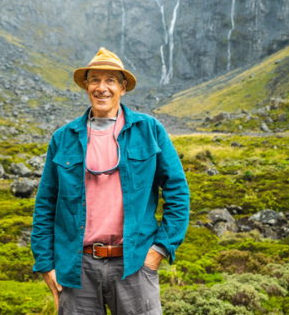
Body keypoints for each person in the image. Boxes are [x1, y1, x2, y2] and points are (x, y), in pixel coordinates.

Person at [31, 47, 190, 314]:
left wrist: (159, 250)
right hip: (77, 268)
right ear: (86, 85)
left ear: (123, 86)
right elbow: (45, 204)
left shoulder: (150, 130)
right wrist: (46, 264)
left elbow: (177, 191)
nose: (101, 88)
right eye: (95, 80)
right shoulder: (63, 138)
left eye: (110, 81)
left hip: (136, 264)